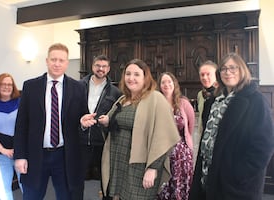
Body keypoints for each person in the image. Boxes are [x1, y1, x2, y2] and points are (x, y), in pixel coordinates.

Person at [81, 59, 180, 200]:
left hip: (139, 167)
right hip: (118, 161)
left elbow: (164, 137)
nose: (131, 78)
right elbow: (114, 125)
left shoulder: (155, 99)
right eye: (128, 74)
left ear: (145, 77)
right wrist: (105, 122)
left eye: (136, 74)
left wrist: (153, 168)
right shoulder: (122, 99)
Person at [189, 52, 274, 200]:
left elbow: (264, 146)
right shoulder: (214, 100)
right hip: (208, 175)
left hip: (236, 184)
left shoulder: (255, 101)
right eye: (223, 69)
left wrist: (238, 175)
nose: (228, 72)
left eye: (233, 68)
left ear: (242, 70)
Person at [14, 43, 88, 200]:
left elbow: (83, 117)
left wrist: (83, 122)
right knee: (32, 196)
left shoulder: (78, 88)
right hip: (36, 154)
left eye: (61, 60)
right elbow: (21, 124)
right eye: (53, 59)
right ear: (47, 61)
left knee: (66, 196)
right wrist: (20, 156)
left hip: (64, 156)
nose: (57, 63)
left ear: (67, 63)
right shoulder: (30, 86)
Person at [79, 55, 121, 199]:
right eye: (98, 65)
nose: (101, 69)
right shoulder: (79, 86)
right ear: (92, 67)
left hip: (102, 142)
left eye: (104, 66)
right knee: (77, 179)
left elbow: (117, 119)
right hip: (81, 141)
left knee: (105, 180)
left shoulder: (115, 92)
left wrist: (109, 121)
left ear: (108, 69)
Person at [157, 72, 195, 200]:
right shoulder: (157, 103)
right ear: (160, 86)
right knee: (165, 185)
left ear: (174, 84)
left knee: (181, 185)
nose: (166, 85)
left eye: (169, 82)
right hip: (163, 152)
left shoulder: (183, 103)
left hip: (182, 154)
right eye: (163, 82)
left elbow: (190, 125)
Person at [194, 61, 218, 164]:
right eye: (202, 75)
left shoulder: (221, 94)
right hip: (203, 137)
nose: (205, 77)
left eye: (208, 74)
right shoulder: (200, 94)